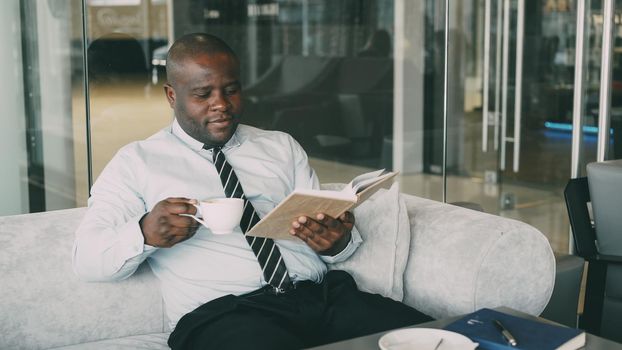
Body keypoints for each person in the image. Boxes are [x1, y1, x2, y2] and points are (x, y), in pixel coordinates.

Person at [72, 33, 432, 350]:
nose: (222, 104)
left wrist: (335, 243)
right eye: (203, 94)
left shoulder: (280, 147)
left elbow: (332, 244)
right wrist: (145, 233)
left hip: (322, 297)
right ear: (171, 95)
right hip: (224, 315)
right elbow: (88, 259)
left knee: (440, 338)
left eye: (231, 90)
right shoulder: (137, 162)